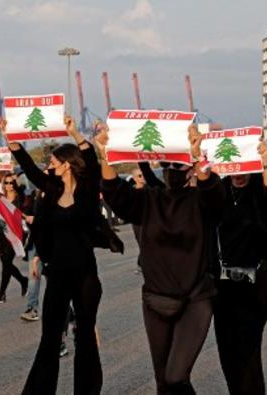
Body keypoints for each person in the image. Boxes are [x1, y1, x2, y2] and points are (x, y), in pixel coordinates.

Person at [97, 122, 226, 394]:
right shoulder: (149, 199)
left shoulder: (200, 201)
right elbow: (115, 194)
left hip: (195, 299)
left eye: (179, 165)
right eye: (168, 165)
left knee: (176, 375)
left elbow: (215, 197)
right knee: (162, 382)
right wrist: (105, 155)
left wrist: (197, 155)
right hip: (155, 301)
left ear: (190, 168)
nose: (173, 172)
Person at [3, 116, 104, 394]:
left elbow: (93, 167)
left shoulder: (85, 191)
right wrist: (14, 145)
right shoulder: (51, 189)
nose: (49, 167)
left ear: (67, 164)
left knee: (84, 335)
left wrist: (77, 135)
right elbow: (31, 171)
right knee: (49, 338)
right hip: (57, 273)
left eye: (54, 163)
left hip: (85, 274)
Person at [211, 142, 267, 394]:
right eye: (234, 168)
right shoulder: (218, 190)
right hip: (223, 283)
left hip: (256, 283)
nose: (239, 174)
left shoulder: (257, 189)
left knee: (249, 348)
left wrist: (265, 162)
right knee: (227, 350)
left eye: (243, 167)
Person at [0, 172, 29, 304]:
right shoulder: (0, 198)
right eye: (6, 183)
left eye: (11, 183)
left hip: (15, 235)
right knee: (5, 263)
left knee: (6, 263)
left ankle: (1, 293)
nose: (9, 185)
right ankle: (23, 280)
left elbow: (22, 191)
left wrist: (16, 180)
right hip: (2, 234)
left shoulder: (20, 197)